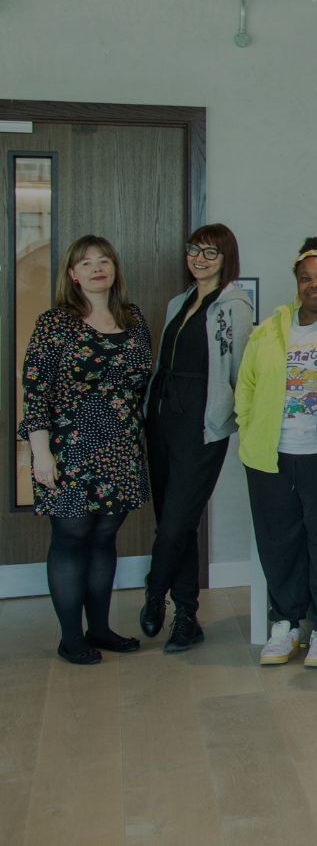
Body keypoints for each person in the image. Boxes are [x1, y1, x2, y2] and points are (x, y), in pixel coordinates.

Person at [20, 236, 152, 664]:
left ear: (114, 269)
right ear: (73, 275)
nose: (98, 268)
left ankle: (100, 628)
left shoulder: (133, 319)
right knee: (72, 537)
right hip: (69, 449)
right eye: (87, 263)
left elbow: (143, 386)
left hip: (121, 448)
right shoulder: (55, 323)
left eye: (105, 261)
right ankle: (70, 637)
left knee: (104, 537)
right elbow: (35, 392)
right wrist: (41, 454)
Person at [140, 223, 254, 653]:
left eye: (211, 252)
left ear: (226, 259)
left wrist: (228, 416)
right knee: (175, 521)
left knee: (176, 520)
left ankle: (155, 591)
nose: (199, 258)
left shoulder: (234, 307)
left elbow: (242, 372)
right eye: (194, 250)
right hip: (163, 418)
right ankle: (186, 616)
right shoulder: (178, 301)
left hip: (202, 424)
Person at [235, 238, 317, 667]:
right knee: (278, 542)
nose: (315, 285)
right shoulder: (271, 329)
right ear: (296, 283)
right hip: (272, 454)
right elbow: (245, 386)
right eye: (306, 278)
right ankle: (284, 623)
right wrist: (249, 428)